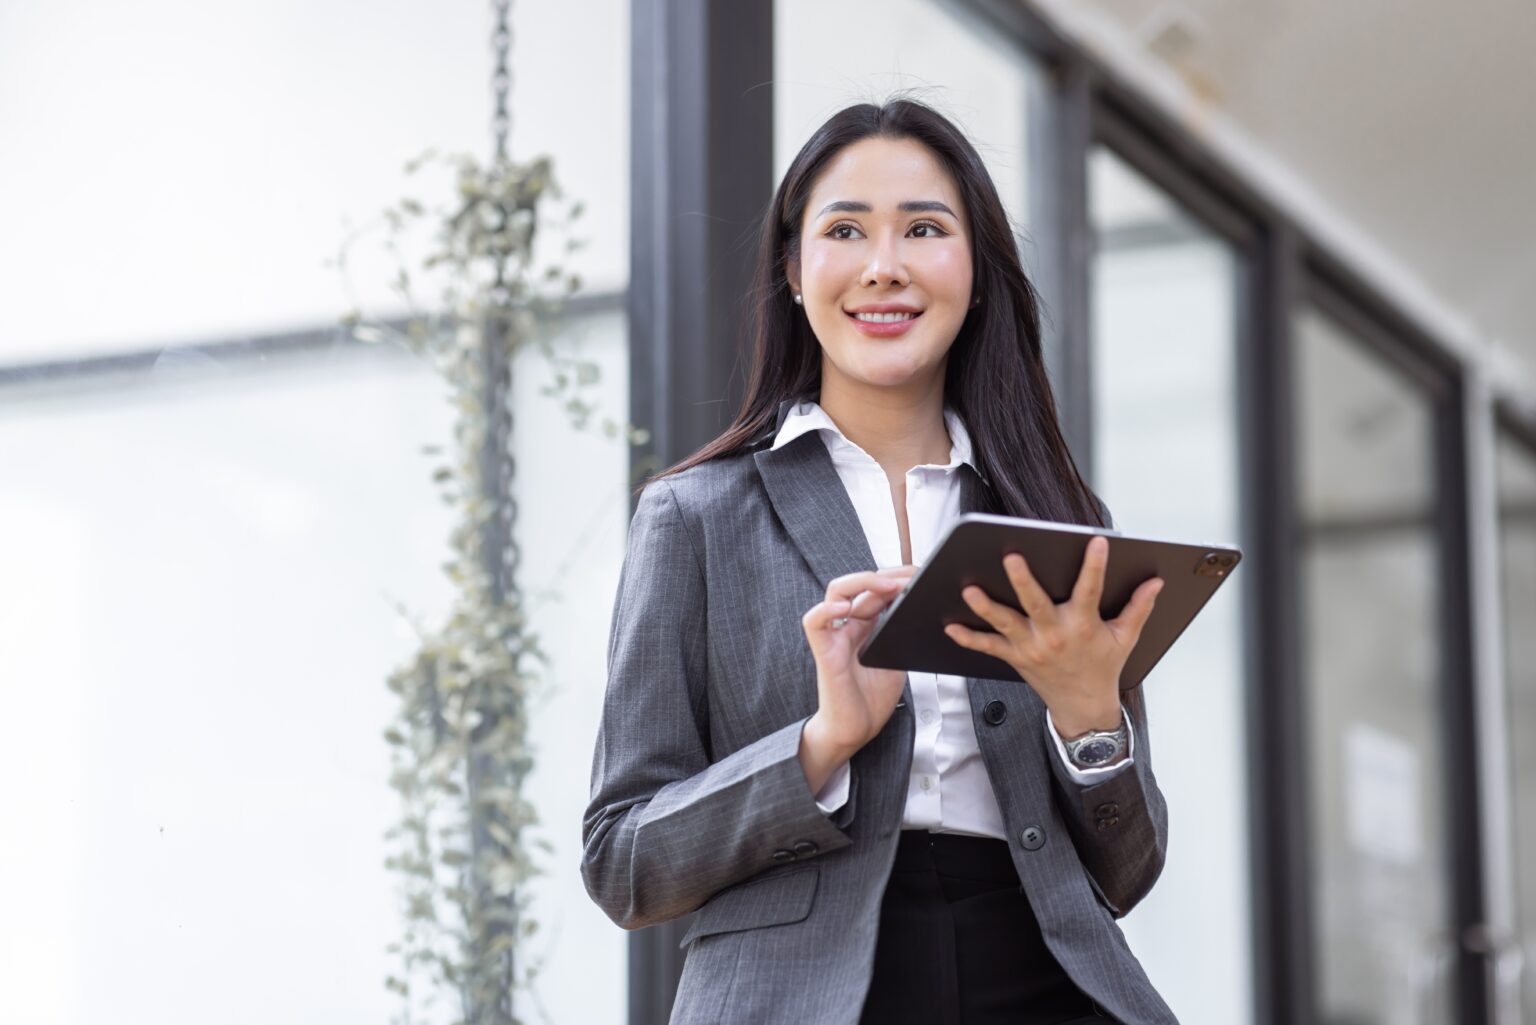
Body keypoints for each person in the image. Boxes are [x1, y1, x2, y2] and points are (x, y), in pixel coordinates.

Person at [581, 96, 1176, 1025]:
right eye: (845, 229)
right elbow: (623, 863)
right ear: (792, 269)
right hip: (799, 990)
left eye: (925, 228)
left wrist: (1086, 713)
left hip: (1046, 974)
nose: (883, 267)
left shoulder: (1059, 524)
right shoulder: (695, 516)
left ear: (978, 271)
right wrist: (822, 745)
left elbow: (1130, 868)